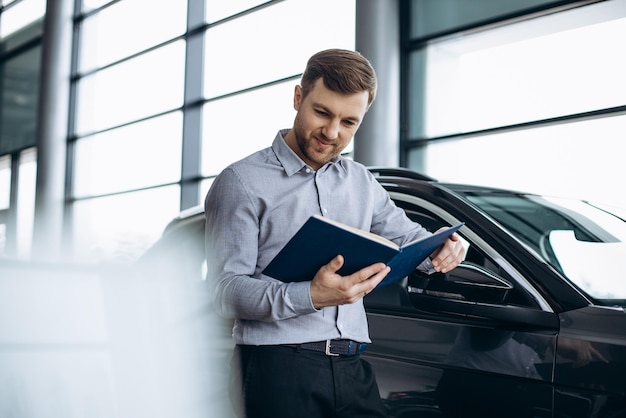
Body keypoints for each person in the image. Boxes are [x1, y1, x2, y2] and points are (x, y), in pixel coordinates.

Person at [204, 48, 465, 418]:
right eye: (322, 113)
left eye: (349, 122)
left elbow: (411, 240)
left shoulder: (361, 181)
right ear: (298, 98)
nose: (332, 132)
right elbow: (226, 292)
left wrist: (448, 247)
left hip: (353, 367)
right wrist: (310, 295)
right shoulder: (242, 182)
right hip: (278, 370)